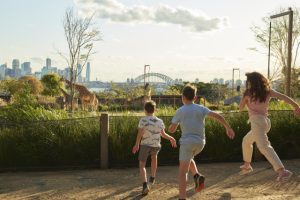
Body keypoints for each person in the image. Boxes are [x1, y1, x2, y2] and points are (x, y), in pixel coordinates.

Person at [168, 84, 235, 200]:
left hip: (187, 143)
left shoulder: (180, 110)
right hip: (200, 143)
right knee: (189, 159)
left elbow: (172, 130)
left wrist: (172, 126)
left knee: (182, 172)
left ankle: (182, 197)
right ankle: (197, 176)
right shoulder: (201, 108)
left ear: (182, 97)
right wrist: (228, 128)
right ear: (195, 98)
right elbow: (219, 117)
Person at [239, 72, 300, 181]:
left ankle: (282, 171)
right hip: (266, 123)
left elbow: (240, 108)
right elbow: (284, 97)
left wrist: (245, 101)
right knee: (246, 141)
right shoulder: (267, 92)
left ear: (250, 82)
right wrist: (296, 106)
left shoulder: (248, 93)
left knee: (264, 146)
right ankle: (247, 165)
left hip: (257, 122)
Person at [132, 100, 177, 195]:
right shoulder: (160, 121)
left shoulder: (143, 120)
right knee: (154, 158)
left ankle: (145, 185)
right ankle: (152, 177)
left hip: (145, 145)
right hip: (156, 145)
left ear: (145, 110)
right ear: (155, 110)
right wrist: (171, 138)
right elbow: (163, 134)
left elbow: (140, 133)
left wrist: (137, 144)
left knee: (142, 165)